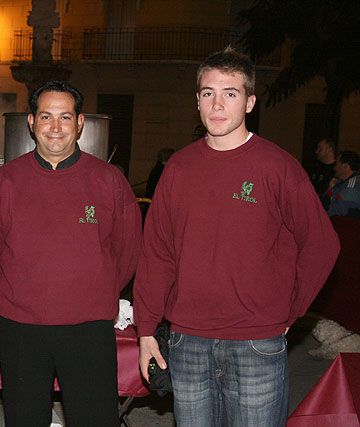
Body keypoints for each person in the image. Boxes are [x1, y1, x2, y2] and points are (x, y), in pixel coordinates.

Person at [133, 46, 340, 427]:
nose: (217, 104)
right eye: (208, 93)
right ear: (197, 100)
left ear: (249, 102)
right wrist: (146, 329)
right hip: (187, 340)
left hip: (255, 341)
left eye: (230, 93)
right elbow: (157, 253)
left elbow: (322, 244)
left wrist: (290, 311)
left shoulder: (277, 167)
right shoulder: (178, 168)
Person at [0, 80, 141, 426]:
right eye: (46, 116)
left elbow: (127, 251)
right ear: (31, 122)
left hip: (89, 328)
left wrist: (96, 292)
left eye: (65, 117)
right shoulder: (5, 181)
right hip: (21, 328)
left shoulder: (109, 180)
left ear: (79, 123)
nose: (55, 127)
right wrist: (20, 293)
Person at [322, 150, 360, 217]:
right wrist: (330, 189)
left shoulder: (352, 187)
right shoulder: (340, 182)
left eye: (336, 164)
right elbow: (322, 202)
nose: (334, 168)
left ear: (345, 166)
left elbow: (333, 214)